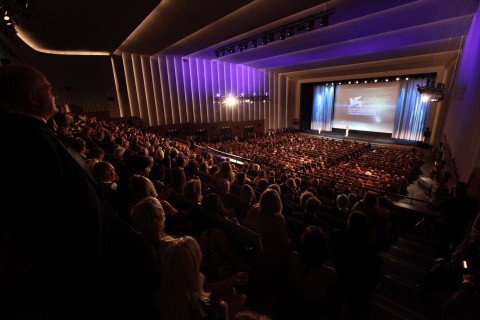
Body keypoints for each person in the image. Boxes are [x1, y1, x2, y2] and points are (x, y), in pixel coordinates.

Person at [0, 64, 157, 319]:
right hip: (78, 266)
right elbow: (47, 214)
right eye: (49, 89)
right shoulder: (29, 141)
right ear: (33, 97)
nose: (55, 95)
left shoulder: (31, 134)